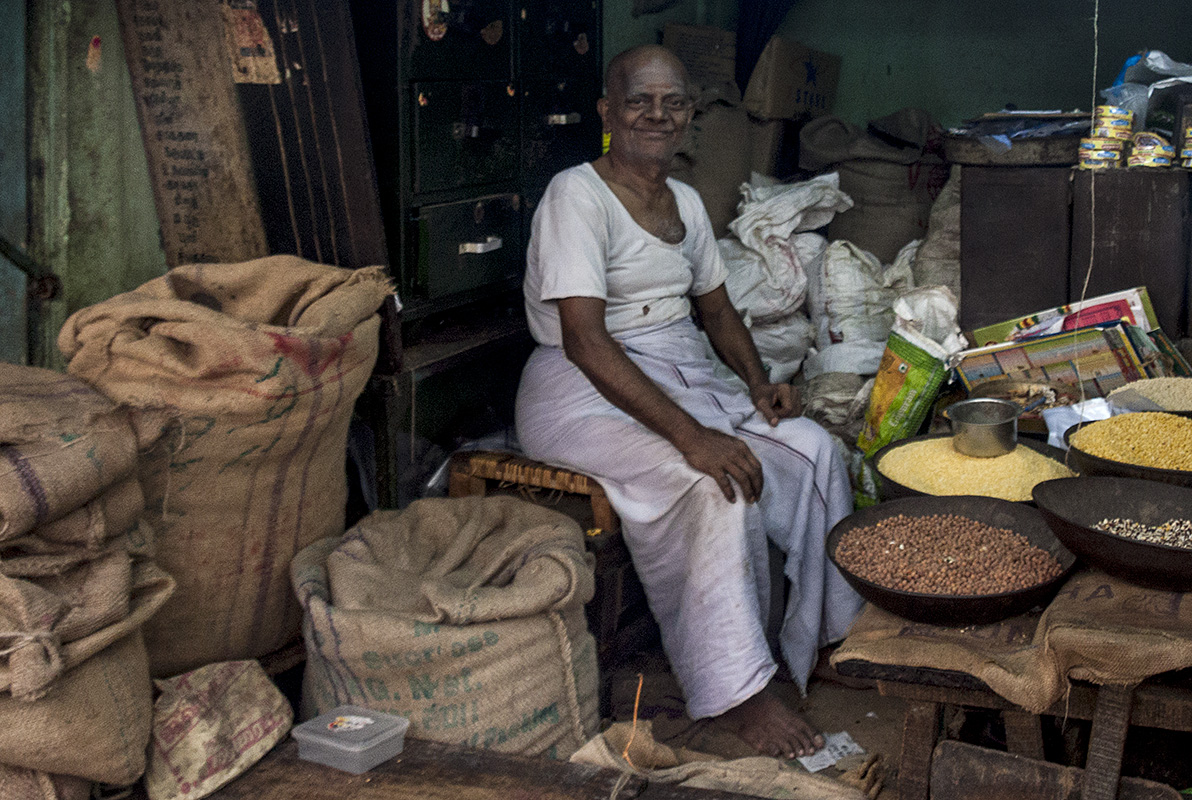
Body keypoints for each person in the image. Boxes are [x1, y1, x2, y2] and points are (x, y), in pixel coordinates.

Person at [514, 44, 863, 759]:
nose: (657, 114)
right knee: (713, 483)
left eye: (673, 102)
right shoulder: (574, 195)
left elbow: (718, 310)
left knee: (817, 451)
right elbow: (585, 340)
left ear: (689, 117)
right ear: (607, 112)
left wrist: (758, 382)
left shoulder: (688, 203)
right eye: (639, 100)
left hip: (679, 371)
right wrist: (691, 437)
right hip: (580, 388)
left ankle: (824, 637)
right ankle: (735, 695)